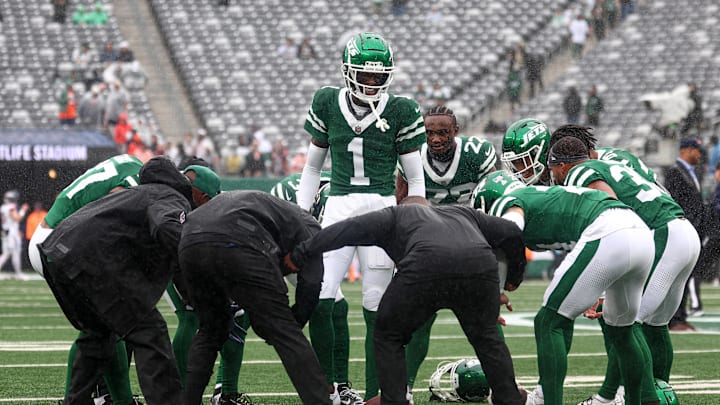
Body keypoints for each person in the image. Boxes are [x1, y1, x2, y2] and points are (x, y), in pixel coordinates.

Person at [286, 197, 527, 405]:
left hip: (425, 264)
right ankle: (510, 399)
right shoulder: (463, 213)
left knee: (388, 334)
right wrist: (512, 280)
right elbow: (512, 232)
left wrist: (301, 252)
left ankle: (396, 400)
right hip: (477, 264)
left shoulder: (395, 215)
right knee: (487, 338)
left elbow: (345, 230)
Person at [296, 32, 426, 401]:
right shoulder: (326, 101)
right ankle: (326, 391)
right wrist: (303, 217)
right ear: (347, 71)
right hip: (337, 205)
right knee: (321, 295)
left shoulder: (401, 109)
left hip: (382, 209)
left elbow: (415, 180)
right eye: (364, 74)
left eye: (377, 75)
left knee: (377, 304)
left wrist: (414, 225)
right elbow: (311, 168)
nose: (371, 82)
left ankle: (375, 394)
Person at [473, 171, 655, 405]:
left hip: (609, 232)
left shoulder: (507, 202)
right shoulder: (540, 196)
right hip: (638, 231)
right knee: (622, 331)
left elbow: (510, 232)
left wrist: (502, 284)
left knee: (548, 322)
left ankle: (547, 400)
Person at [548, 135, 701, 404]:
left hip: (660, 235)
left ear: (563, 163)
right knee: (656, 324)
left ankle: (613, 397)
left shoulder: (583, 171)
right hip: (681, 230)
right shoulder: (619, 160)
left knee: (626, 326)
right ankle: (658, 390)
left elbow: (615, 214)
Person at [38, 156, 201, 405]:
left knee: (98, 336)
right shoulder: (170, 196)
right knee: (150, 332)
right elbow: (166, 225)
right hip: (93, 260)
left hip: (58, 254)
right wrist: (197, 262)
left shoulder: (137, 194)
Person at [179, 191, 331, 405]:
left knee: (211, 330)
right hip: (237, 237)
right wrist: (295, 320)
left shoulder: (273, 213)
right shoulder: (310, 231)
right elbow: (312, 284)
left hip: (190, 241)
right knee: (287, 333)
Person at [394, 105, 497, 399]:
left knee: (484, 322)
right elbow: (401, 207)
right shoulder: (411, 157)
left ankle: (503, 386)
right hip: (429, 250)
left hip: (470, 246)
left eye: (442, 132)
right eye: (429, 132)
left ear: (456, 131)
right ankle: (405, 389)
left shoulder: (477, 154)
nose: (435, 138)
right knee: (418, 322)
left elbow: (495, 198)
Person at [271, 172, 365, 405]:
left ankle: (340, 386)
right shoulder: (324, 202)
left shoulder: (342, 191)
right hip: (281, 245)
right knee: (324, 305)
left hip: (303, 237)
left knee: (339, 307)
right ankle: (327, 387)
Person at [664, 138, 707, 331]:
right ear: (687, 150)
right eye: (697, 151)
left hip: (693, 231)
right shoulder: (675, 172)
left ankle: (680, 316)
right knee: (678, 276)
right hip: (682, 231)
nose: (699, 155)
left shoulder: (690, 172)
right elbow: (675, 202)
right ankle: (674, 318)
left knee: (686, 275)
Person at [0, 190, 29, 280]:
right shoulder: (11, 207)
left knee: (9, 254)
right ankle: (18, 274)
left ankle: (18, 273)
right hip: (11, 234)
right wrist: (23, 210)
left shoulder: (3, 207)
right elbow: (17, 218)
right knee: (11, 253)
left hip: (7, 232)